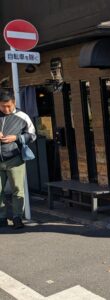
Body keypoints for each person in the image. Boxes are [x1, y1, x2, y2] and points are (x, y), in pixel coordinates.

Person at [0, 88, 36, 230]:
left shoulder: (23, 116)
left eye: (8, 105)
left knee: (17, 190)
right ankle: (1, 218)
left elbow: (32, 135)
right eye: (2, 106)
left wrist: (17, 138)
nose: (6, 109)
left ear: (14, 102)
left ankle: (17, 217)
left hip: (15, 159)